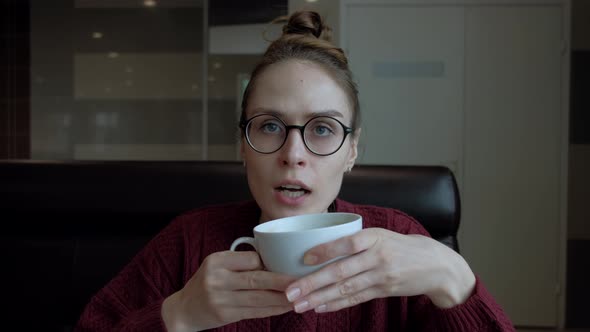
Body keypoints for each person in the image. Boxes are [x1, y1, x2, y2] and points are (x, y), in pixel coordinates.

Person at [75, 10, 515, 332]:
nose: (293, 153)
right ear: (243, 146)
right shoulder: (188, 243)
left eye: (322, 129)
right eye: (269, 126)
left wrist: (453, 277)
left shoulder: (399, 241)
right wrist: (176, 315)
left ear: (352, 151)